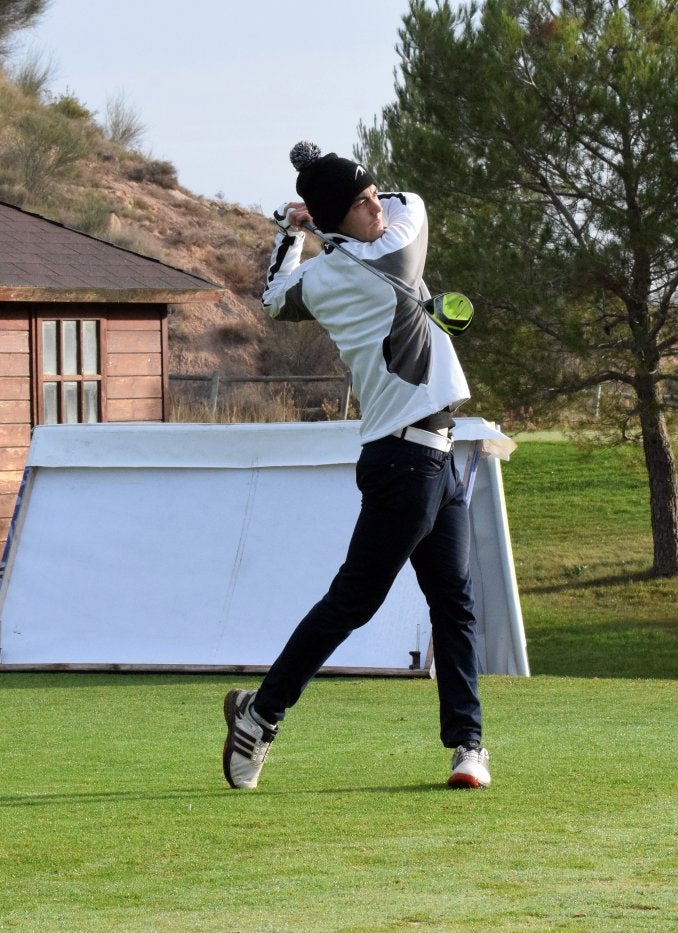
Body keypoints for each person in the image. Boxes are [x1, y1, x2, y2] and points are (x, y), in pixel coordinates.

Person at [221, 141, 490, 791]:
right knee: (353, 603)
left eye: (373, 195)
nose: (377, 203)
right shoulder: (395, 248)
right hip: (406, 461)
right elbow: (411, 201)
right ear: (344, 215)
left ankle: (468, 747)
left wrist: (296, 232)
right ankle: (259, 717)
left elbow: (275, 299)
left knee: (453, 603)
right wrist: (320, 223)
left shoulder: (325, 273)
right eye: (362, 201)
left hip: (434, 452)